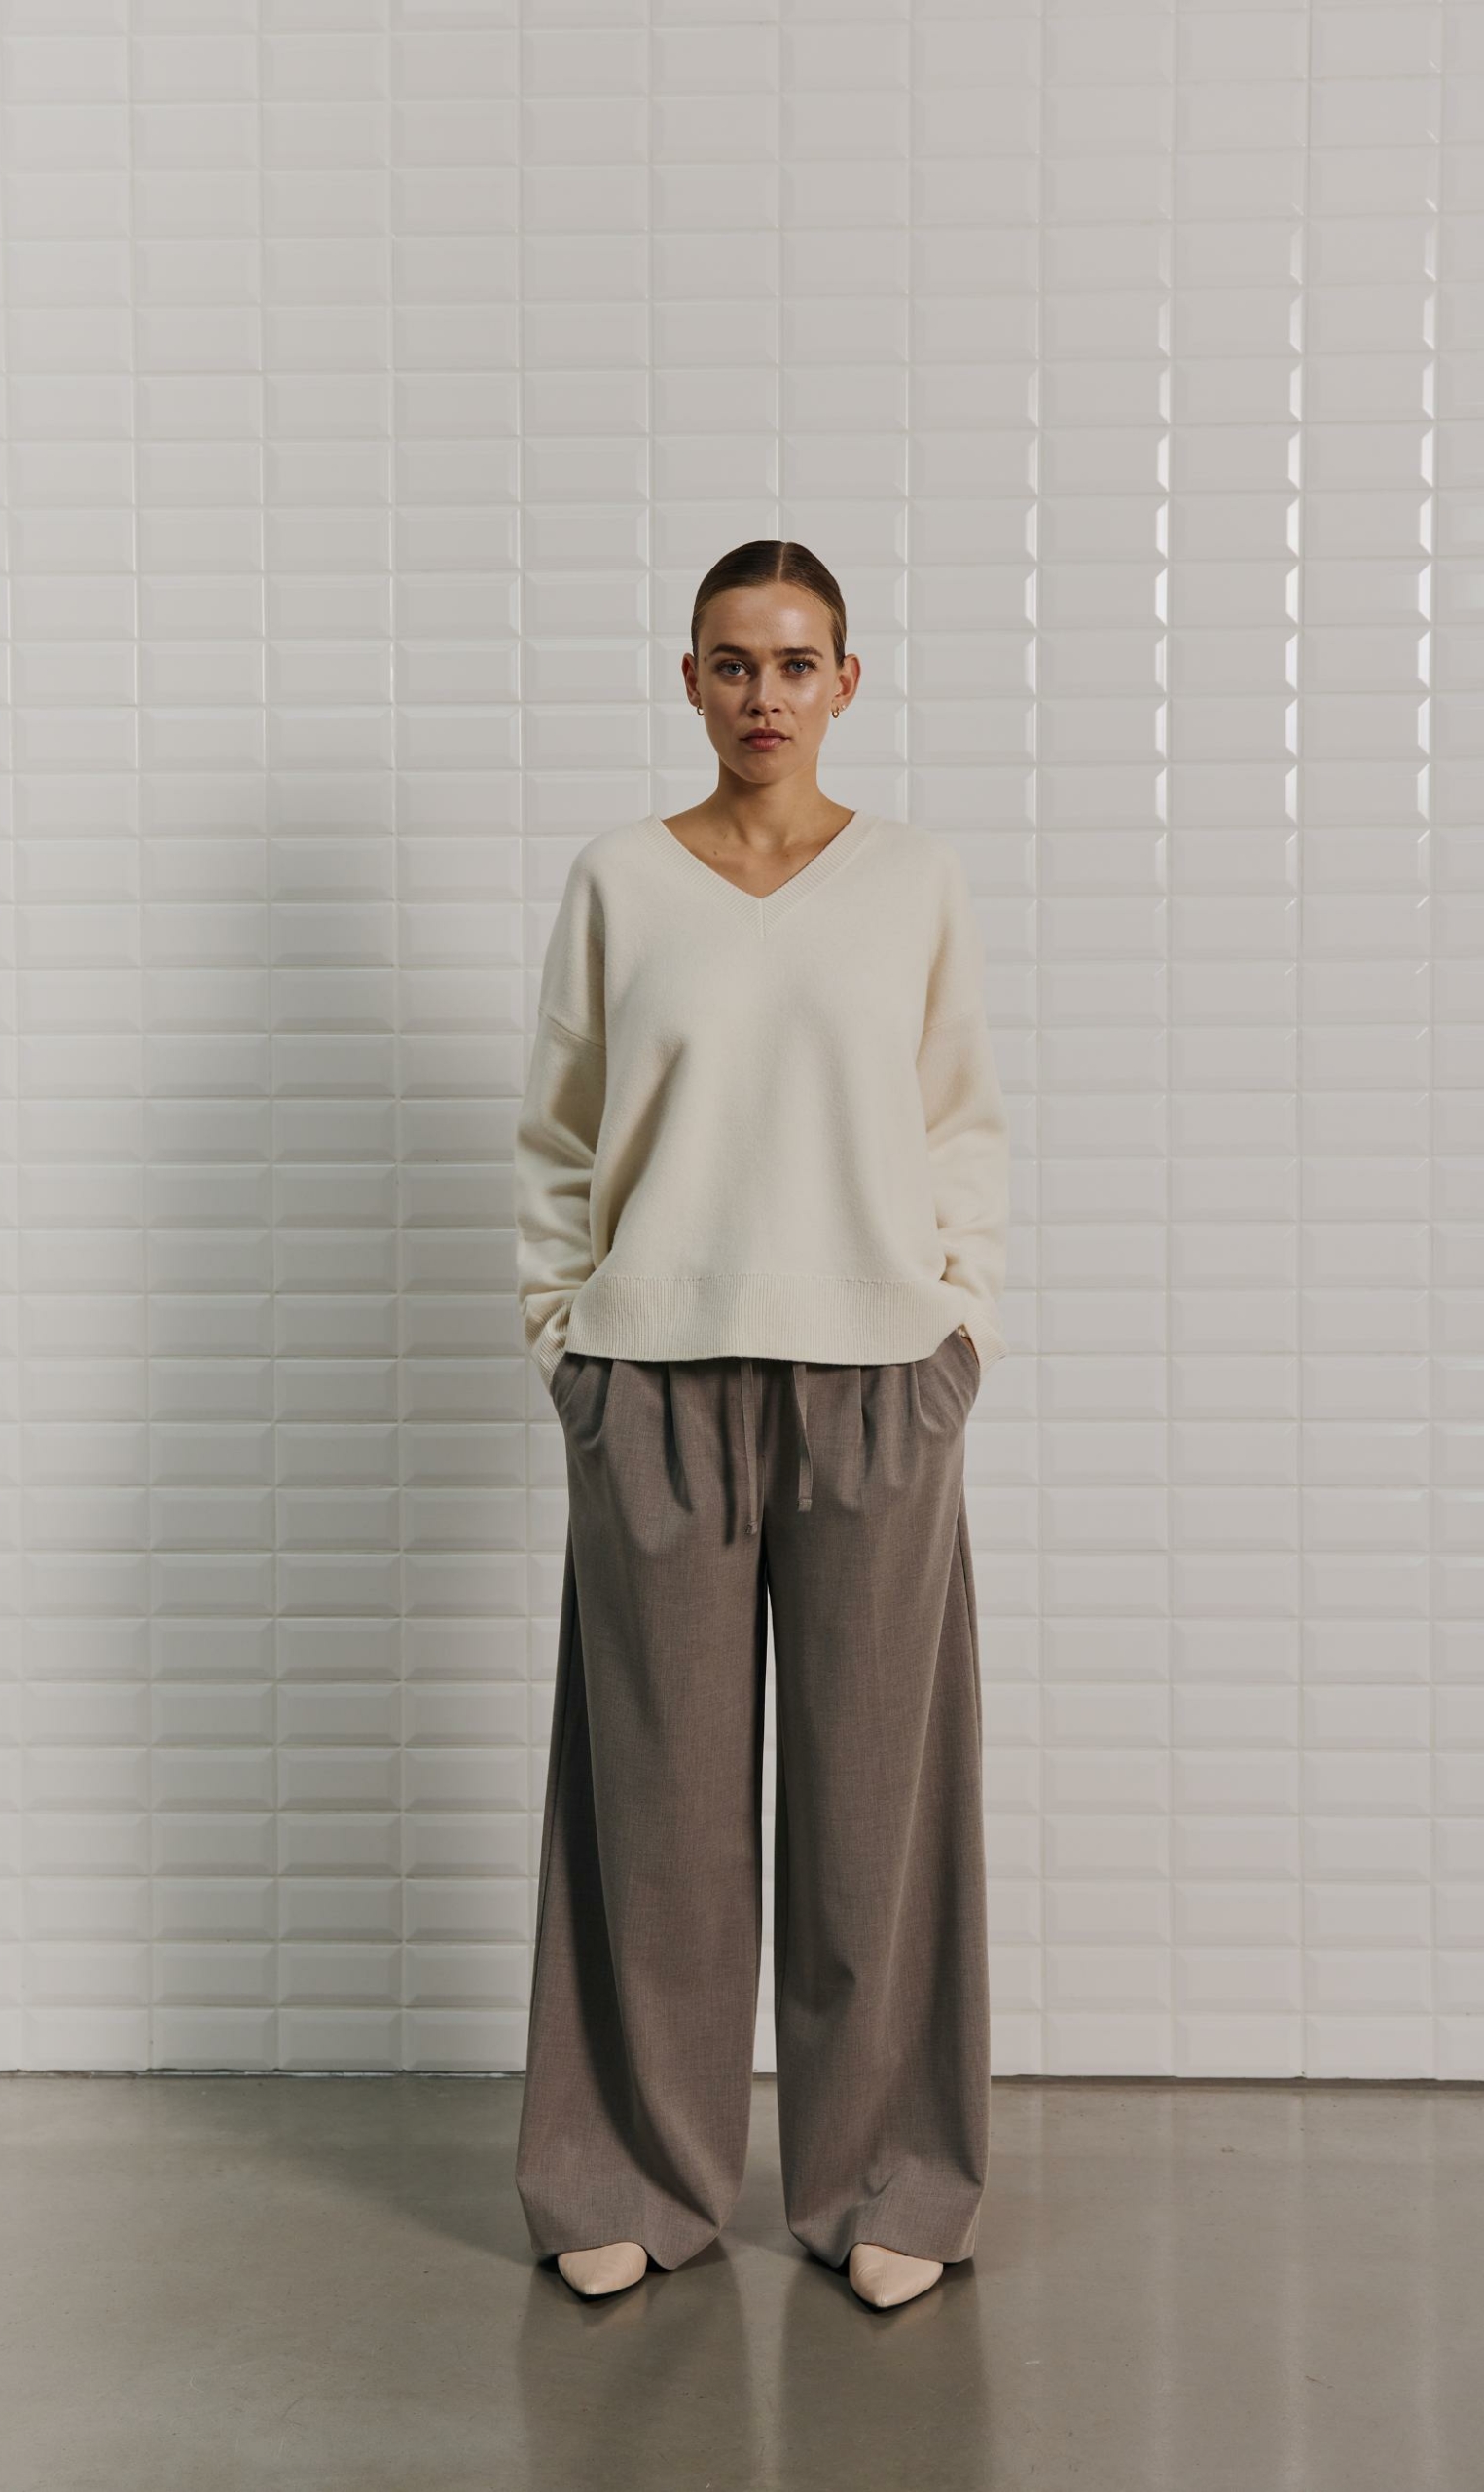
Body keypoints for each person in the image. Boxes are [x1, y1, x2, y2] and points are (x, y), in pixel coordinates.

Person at [510, 539, 1009, 2310]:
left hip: (878, 1379)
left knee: (877, 1815)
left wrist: (958, 1330)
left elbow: (959, 1121)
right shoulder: (619, 882)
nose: (764, 697)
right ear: (691, 679)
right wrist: (569, 1341)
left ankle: (891, 2183)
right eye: (732, 663)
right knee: (655, 1815)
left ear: (846, 683)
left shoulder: (913, 879)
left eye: (797, 665)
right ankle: (630, 2175)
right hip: (654, 1378)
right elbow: (558, 1134)